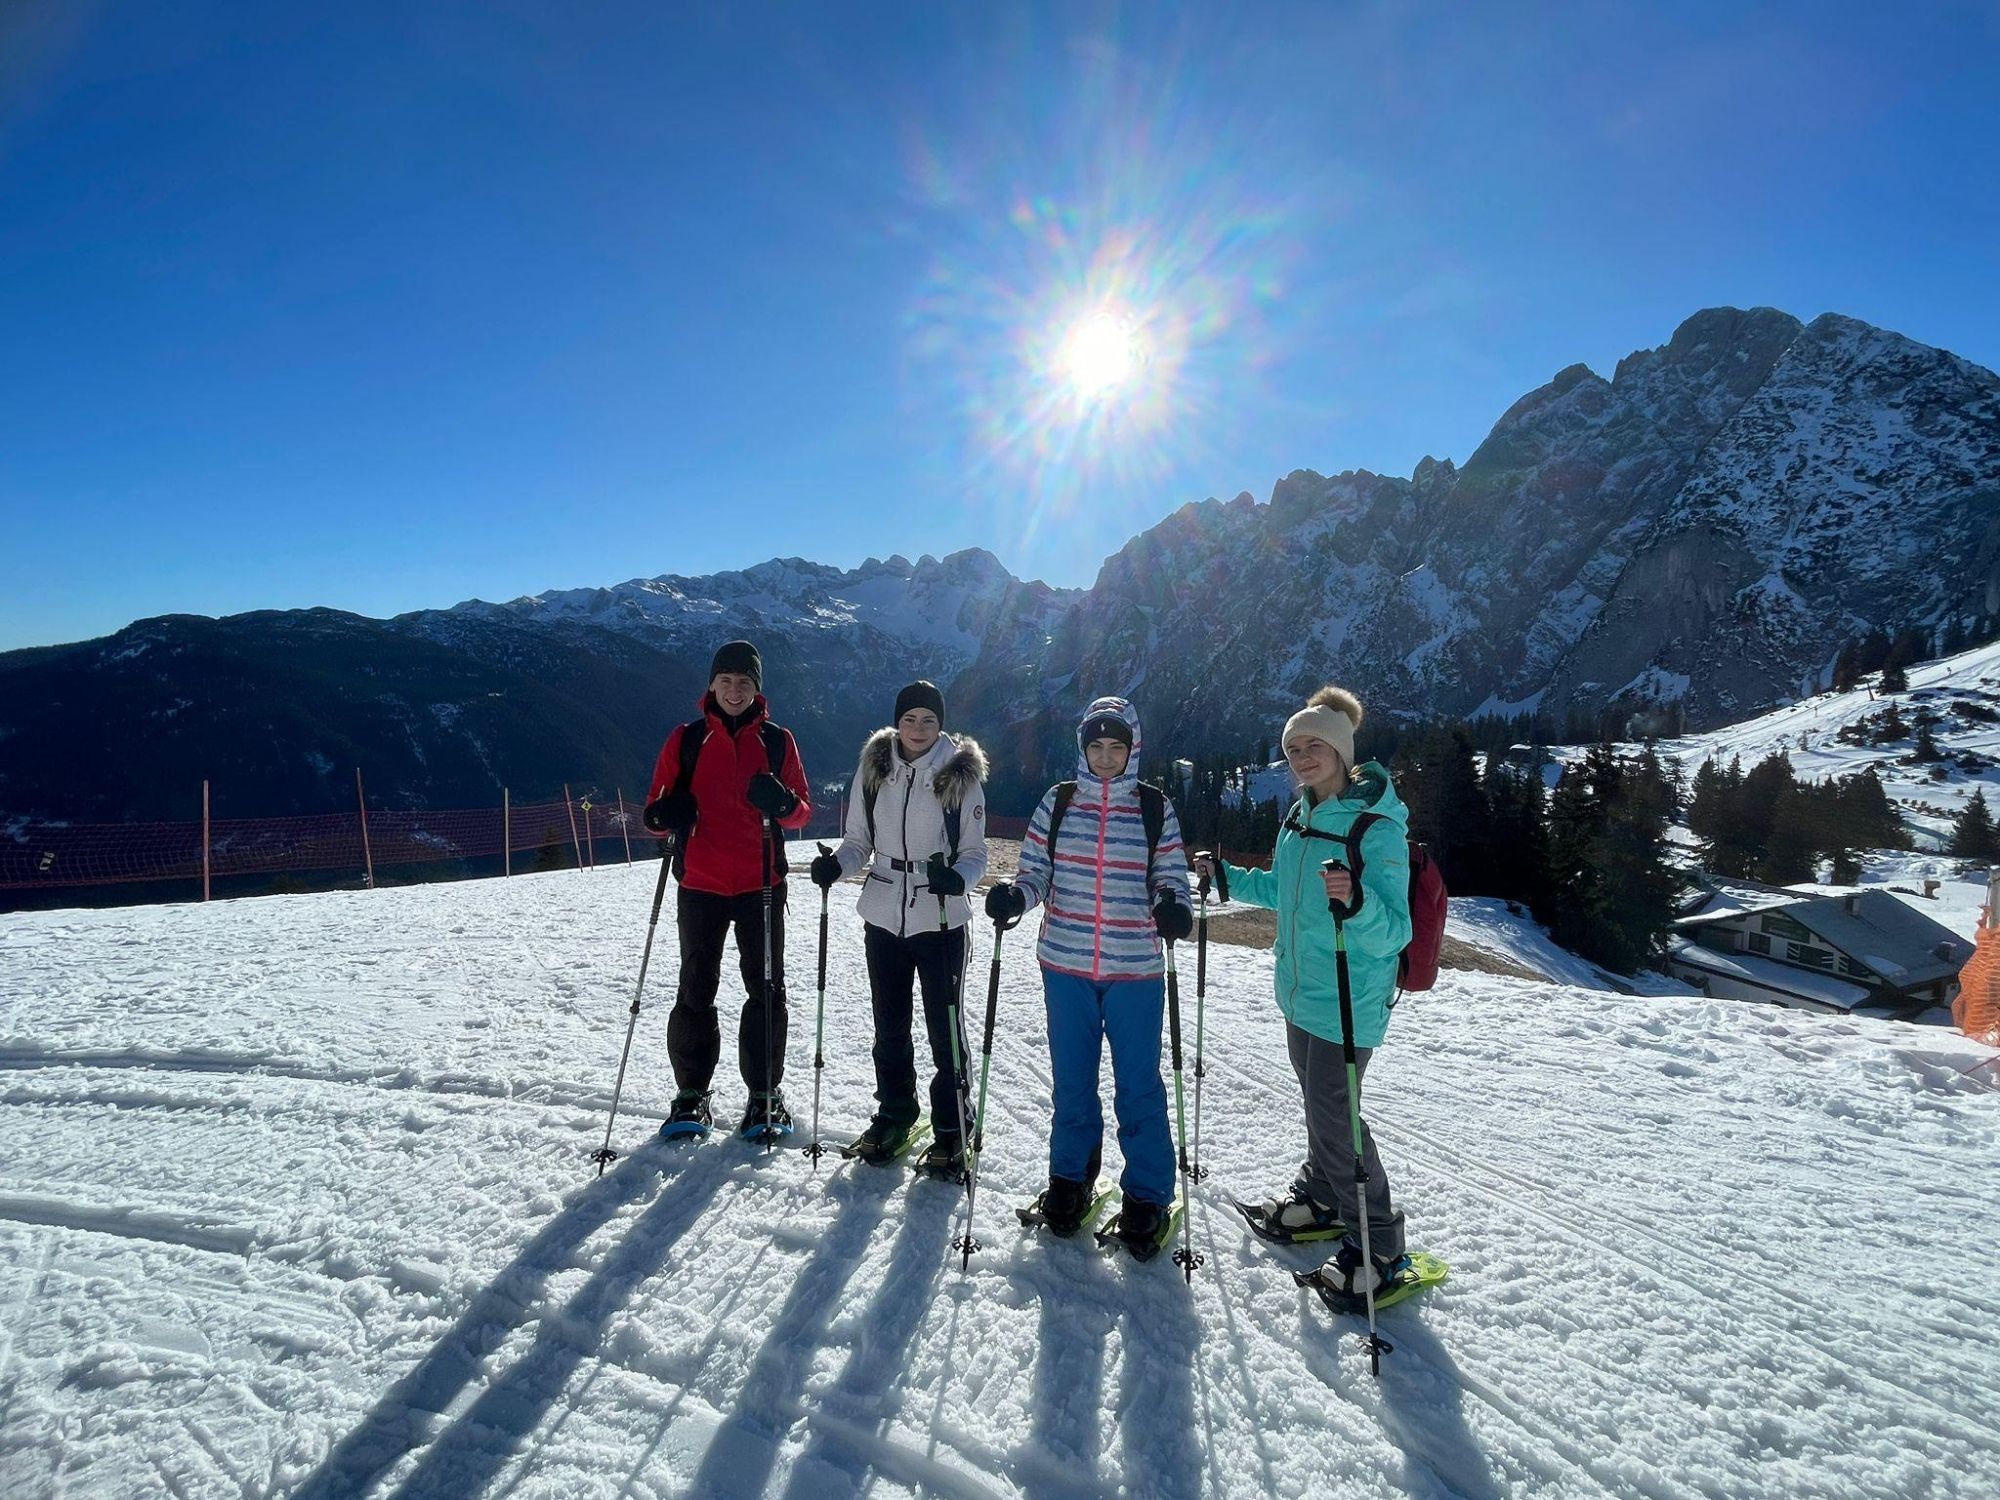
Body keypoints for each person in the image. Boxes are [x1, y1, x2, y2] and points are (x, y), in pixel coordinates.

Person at [1193, 685, 1415, 1298]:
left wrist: (1356, 901)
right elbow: (1283, 893)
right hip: (1300, 992)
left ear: (1342, 750)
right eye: (1293, 748)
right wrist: (1229, 877)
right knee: (1321, 1108)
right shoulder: (1300, 817)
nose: (1302, 757)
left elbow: (1396, 931)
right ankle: (1321, 1196)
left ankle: (1380, 1244)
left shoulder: (1375, 827)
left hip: (1348, 998)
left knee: (1337, 1118)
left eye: (1315, 745)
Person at [984, 696, 1193, 1254]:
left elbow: (1170, 875)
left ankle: (1147, 1194)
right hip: (1066, 964)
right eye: (1095, 746)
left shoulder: (1153, 807)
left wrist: (1172, 904)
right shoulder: (1058, 803)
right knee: (1072, 1080)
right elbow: (1036, 873)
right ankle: (1069, 1178)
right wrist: (1015, 897)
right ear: (1082, 748)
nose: (1104, 756)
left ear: (1132, 750)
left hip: (1135, 970)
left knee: (1139, 1084)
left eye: (1115, 747)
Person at [809, 680, 989, 1174]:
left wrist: (959, 878)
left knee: (943, 1030)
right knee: (889, 1026)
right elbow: (857, 841)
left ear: (941, 724)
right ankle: (895, 1112)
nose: (918, 728)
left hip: (941, 916)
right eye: (909, 719)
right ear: (897, 722)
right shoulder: (875, 768)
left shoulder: (958, 775)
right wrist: (837, 866)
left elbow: (975, 852)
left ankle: (953, 1126)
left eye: (928, 720)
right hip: (884, 912)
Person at [643, 641, 813, 1138]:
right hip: (701, 883)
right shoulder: (687, 739)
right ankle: (691, 1094)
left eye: (744, 683)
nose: (734, 691)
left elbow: (802, 811)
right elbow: (654, 809)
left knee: (766, 988)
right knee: (696, 987)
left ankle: (764, 1095)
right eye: (726, 681)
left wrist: (782, 803)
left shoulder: (778, 741)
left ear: (757, 690)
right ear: (712, 686)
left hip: (762, 884)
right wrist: (665, 814)